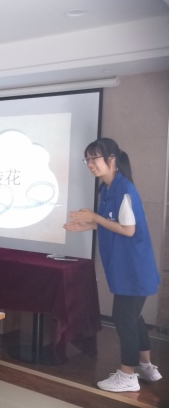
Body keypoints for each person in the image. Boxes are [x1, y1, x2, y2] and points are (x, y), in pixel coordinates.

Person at [64, 138, 162, 392]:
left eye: (95, 158)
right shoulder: (107, 188)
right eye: (87, 159)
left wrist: (94, 217)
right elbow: (114, 223)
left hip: (133, 268)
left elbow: (128, 230)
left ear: (112, 159)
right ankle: (146, 366)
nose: (90, 164)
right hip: (124, 267)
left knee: (123, 317)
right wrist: (89, 224)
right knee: (132, 316)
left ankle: (128, 376)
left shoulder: (124, 189)